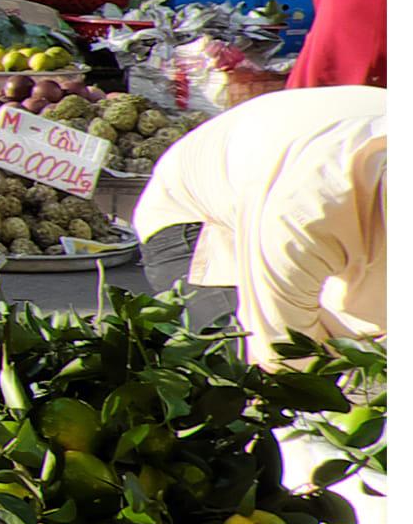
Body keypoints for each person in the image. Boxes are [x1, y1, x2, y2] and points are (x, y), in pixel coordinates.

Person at [133, 85, 386, 353]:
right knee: (239, 355)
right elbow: (280, 350)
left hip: (291, 153)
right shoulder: (305, 213)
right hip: (195, 209)